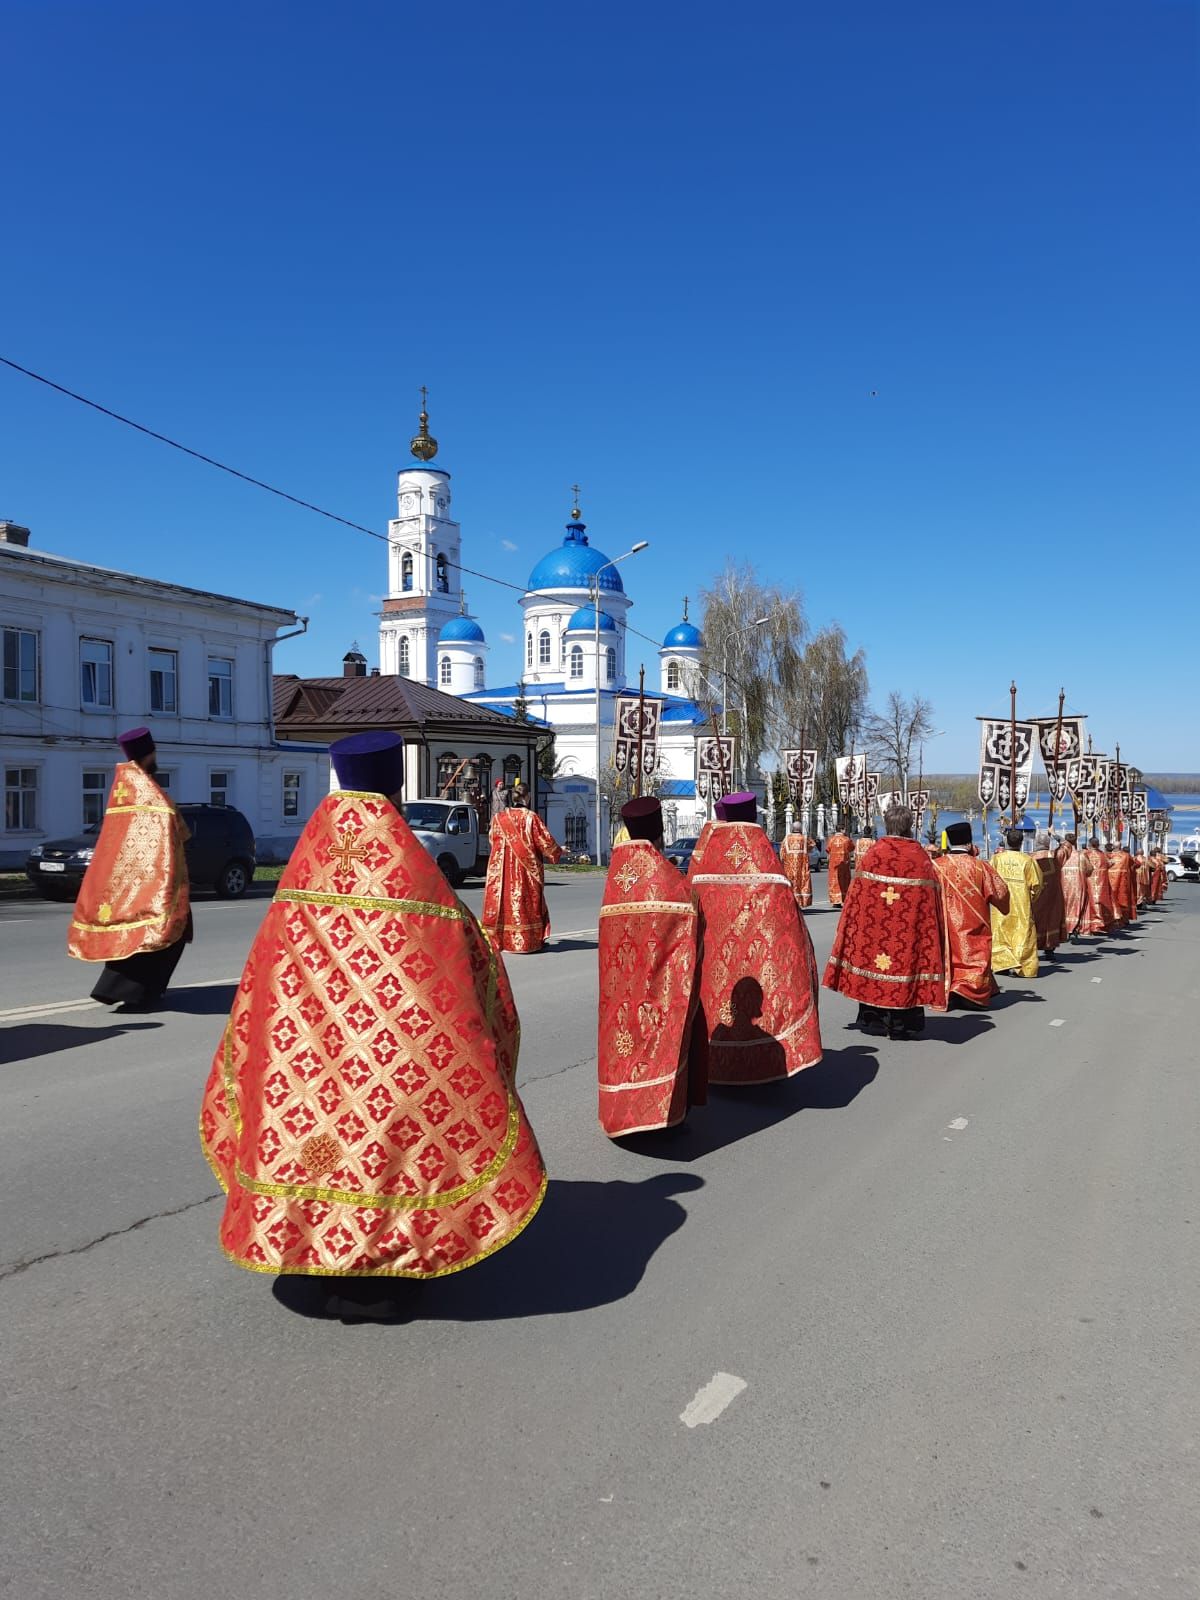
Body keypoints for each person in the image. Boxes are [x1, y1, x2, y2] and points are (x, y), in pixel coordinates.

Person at [199, 730, 546, 1298]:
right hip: (390, 1063)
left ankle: (306, 1243)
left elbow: (262, 976)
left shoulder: (300, 878)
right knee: (389, 1135)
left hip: (303, 1056)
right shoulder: (414, 876)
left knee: (311, 1126)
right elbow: (467, 963)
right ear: (397, 783)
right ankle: (383, 1260)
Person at [687, 792, 822, 1083]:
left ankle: (711, 1064)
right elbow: (790, 924)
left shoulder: (705, 864)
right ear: (753, 816)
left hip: (716, 963)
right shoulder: (767, 864)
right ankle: (765, 1063)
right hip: (760, 963)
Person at [597, 797, 707, 1137]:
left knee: (620, 1039)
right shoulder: (666, 877)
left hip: (618, 985)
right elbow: (693, 915)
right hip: (658, 980)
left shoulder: (617, 876)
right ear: (659, 834)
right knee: (662, 1034)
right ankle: (661, 1115)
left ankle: (617, 1110)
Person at [67, 726, 192, 1011]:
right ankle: (136, 992)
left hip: (126, 878)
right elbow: (173, 829)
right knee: (158, 933)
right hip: (155, 880)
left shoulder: (125, 790)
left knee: (146, 931)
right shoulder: (149, 793)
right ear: (149, 754)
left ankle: (122, 988)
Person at [824, 802, 948, 1040]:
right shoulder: (920, 859)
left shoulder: (873, 856)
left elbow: (855, 899)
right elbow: (932, 903)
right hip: (908, 932)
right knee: (906, 963)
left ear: (887, 825)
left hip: (875, 931)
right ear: (909, 827)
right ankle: (903, 1024)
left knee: (874, 964)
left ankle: (874, 1019)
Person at [932, 821, 1010, 1008]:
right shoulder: (980, 867)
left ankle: (949, 989)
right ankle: (971, 993)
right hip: (973, 923)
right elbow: (1001, 893)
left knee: (947, 953)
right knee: (973, 954)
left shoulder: (935, 866)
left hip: (943, 922)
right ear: (968, 843)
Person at [482, 789, 563, 953]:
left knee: (504, 904)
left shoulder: (498, 818)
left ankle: (503, 941)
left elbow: (492, 839)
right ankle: (527, 942)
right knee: (526, 904)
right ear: (528, 797)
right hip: (525, 871)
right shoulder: (531, 818)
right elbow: (545, 842)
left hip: (502, 871)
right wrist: (558, 851)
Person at [990, 827, 1044, 979]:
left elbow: (989, 881)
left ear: (1007, 841)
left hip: (1000, 904)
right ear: (1021, 843)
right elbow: (1037, 885)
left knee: (1001, 931)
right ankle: (1023, 966)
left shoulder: (996, 859)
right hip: (1021, 903)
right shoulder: (1027, 861)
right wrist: (1030, 898)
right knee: (1022, 933)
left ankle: (1001, 965)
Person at [1031, 829, 1066, 960]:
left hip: (1035, 897)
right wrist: (1054, 834)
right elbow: (1067, 846)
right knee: (1051, 920)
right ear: (1047, 844)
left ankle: (1031, 949)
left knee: (1035, 921)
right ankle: (1049, 949)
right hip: (1052, 897)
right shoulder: (1055, 856)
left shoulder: (1028, 858)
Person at [1058, 831, 1092, 940]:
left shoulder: (1061, 854)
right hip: (1077, 885)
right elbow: (1089, 870)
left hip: (1063, 884)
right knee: (1076, 907)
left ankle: (1063, 929)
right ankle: (1073, 929)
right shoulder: (1081, 855)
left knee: (1064, 906)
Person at [1081, 836, 1116, 934]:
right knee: (1101, 902)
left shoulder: (1085, 854)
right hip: (1101, 882)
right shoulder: (1103, 855)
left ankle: (1091, 925)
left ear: (1089, 844)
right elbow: (1109, 864)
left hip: (1089, 881)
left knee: (1090, 902)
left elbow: (1082, 867)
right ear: (1098, 844)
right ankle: (1102, 924)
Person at [779, 826, 815, 908]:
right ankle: (801, 902)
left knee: (791, 884)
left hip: (789, 867)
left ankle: (791, 903)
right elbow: (812, 845)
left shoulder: (786, 839)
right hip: (802, 866)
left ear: (792, 829)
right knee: (802, 883)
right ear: (800, 829)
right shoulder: (805, 838)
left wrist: (783, 862)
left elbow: (782, 853)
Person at [1106, 839, 1138, 927]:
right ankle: (1123, 920)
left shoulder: (1108, 856)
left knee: (1112, 900)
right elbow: (1136, 863)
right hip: (1123, 881)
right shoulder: (1126, 856)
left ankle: (1112, 919)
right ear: (1120, 847)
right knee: (1123, 900)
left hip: (1110, 881)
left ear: (1113, 847)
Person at [826, 826, 853, 907]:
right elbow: (851, 848)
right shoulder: (846, 839)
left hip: (833, 864)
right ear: (842, 829)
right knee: (844, 881)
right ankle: (844, 899)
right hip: (844, 863)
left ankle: (835, 901)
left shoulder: (831, 839)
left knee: (834, 881)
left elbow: (828, 849)